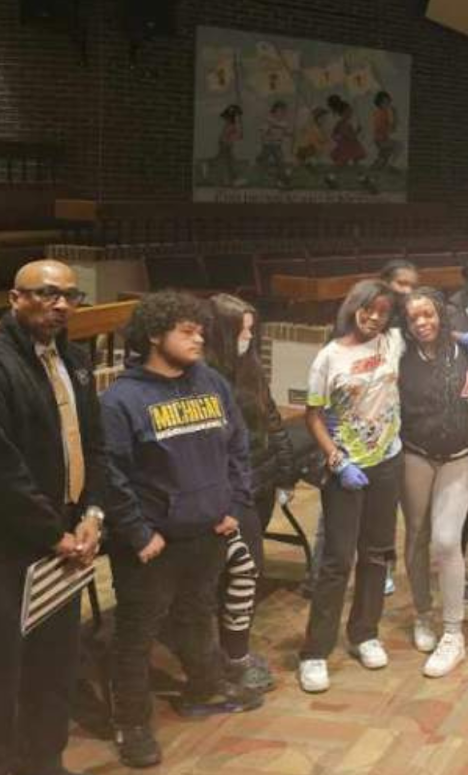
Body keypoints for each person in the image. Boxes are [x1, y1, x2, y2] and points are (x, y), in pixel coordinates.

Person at [0, 260, 107, 775]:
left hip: (62, 545)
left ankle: (43, 763)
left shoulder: (74, 361)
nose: (60, 305)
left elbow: (94, 447)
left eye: (71, 297)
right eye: (47, 294)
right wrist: (54, 534)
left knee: (53, 670)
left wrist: (93, 515)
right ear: (15, 298)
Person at [100, 291, 261, 768]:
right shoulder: (121, 399)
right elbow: (111, 473)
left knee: (196, 615)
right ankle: (131, 724)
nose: (199, 337)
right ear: (154, 334)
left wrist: (234, 501)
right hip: (153, 543)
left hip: (207, 530)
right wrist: (137, 532)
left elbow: (237, 444)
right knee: (137, 635)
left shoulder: (210, 381)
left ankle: (203, 689)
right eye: (186, 330)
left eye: (200, 330)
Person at [295, 281, 404, 694]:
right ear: (353, 308)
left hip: (386, 462)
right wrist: (337, 461)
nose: (374, 319)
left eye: (382, 312)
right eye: (367, 310)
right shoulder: (329, 356)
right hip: (347, 468)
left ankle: (364, 633)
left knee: (376, 553)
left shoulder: (392, 343)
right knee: (338, 559)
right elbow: (313, 416)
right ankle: (315, 652)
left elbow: (428, 316)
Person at [204, 294, 288, 694]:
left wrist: (284, 464)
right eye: (242, 332)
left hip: (260, 477)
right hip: (229, 488)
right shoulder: (205, 375)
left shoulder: (250, 366)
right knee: (240, 567)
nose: (248, 339)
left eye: (252, 331)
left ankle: (231, 648)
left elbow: (269, 413)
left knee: (247, 566)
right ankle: (229, 654)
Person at [397, 288, 468, 677]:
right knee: (416, 534)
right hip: (415, 453)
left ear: (440, 314)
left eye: (427, 315)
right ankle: (422, 613)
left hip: (458, 456)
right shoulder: (400, 354)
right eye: (414, 319)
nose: (422, 323)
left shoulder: (465, 350)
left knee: (446, 540)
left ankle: (453, 632)